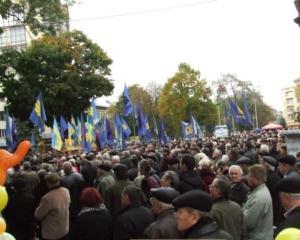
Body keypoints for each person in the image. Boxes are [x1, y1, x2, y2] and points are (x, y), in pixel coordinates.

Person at [35, 173, 70, 240]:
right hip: (64, 227)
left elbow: (38, 215)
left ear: (48, 183)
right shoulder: (66, 191)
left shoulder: (47, 198)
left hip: (52, 232)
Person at [242, 164, 273, 240]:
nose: (248, 178)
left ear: (257, 178)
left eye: (250, 176)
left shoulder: (259, 197)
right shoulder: (259, 191)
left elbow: (248, 223)